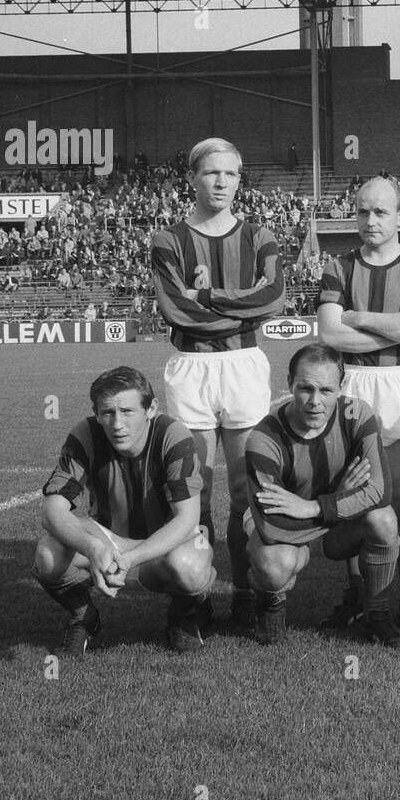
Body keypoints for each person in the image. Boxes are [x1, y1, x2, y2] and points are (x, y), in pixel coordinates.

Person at [151, 138, 284, 630]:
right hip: (191, 367)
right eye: (211, 174)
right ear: (192, 178)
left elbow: (272, 300)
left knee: (248, 489)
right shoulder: (168, 240)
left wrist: (204, 294)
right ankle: (198, 593)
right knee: (195, 492)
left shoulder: (259, 237)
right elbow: (175, 310)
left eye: (230, 174)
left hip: (244, 365)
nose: (222, 182)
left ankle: (248, 593)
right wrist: (231, 306)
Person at [317, 176, 400, 632]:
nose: (371, 220)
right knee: (353, 497)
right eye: (364, 211)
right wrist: (398, 322)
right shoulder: (338, 267)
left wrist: (358, 316)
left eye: (381, 212)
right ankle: (358, 594)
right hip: (353, 384)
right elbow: (330, 334)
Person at [34, 366, 213, 654]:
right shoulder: (85, 435)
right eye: (107, 413)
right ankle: (83, 616)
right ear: (96, 412)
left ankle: (183, 616)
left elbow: (187, 519)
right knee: (48, 553)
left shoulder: (173, 435)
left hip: (167, 542)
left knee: (190, 568)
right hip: (108, 538)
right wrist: (92, 547)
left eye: (128, 411)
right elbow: (51, 512)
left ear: (151, 408)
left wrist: (131, 559)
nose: (117, 424)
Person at [242, 343, 400, 648]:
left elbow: (380, 493)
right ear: (289, 383)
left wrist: (314, 507)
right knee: (274, 564)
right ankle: (270, 602)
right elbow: (273, 527)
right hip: (284, 529)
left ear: (341, 387)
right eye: (305, 388)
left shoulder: (358, 416)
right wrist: (340, 500)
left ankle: (377, 612)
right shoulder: (264, 439)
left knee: (384, 519)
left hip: (317, 515)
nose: (315, 401)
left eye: (327, 391)